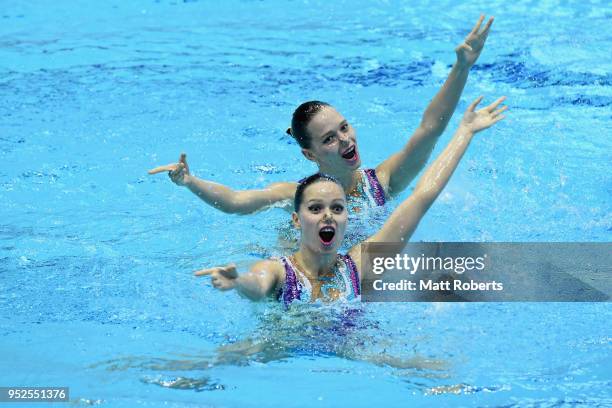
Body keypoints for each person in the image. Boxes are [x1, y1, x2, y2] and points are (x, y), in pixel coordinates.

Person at [148, 16, 495, 215]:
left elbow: (429, 130)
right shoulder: (298, 195)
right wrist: (190, 182)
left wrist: (461, 68)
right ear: (309, 154)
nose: (345, 139)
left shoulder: (383, 182)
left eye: (344, 128)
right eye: (329, 138)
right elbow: (237, 201)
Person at [194, 95, 507, 306]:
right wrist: (238, 284)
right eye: (316, 209)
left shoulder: (357, 264)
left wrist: (465, 132)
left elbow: (424, 194)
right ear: (296, 218)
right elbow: (258, 282)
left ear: (349, 217)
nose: (329, 216)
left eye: (338, 209)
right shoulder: (282, 270)